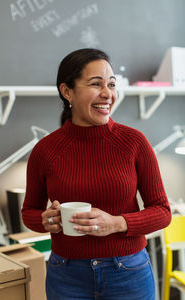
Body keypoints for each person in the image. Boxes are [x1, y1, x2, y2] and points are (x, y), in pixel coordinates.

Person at [22, 48, 171, 300]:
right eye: (96, 84)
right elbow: (29, 213)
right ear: (67, 91)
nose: (108, 94)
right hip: (66, 274)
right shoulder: (45, 150)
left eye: (112, 84)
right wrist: (47, 220)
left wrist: (116, 223)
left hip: (128, 272)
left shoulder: (135, 142)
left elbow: (162, 211)